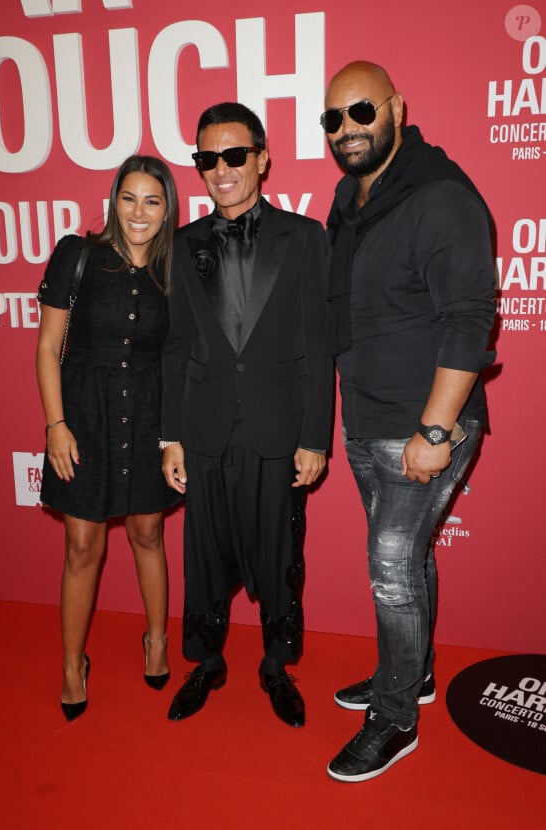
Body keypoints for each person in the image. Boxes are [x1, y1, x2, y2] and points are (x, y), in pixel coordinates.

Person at [321, 62, 496, 780]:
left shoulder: (439, 196)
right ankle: (412, 673)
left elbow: (469, 322)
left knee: (392, 569)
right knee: (410, 562)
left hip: (424, 428)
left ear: (395, 107)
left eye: (361, 111)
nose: (347, 129)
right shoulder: (350, 199)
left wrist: (432, 434)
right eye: (333, 119)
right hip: (366, 420)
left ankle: (395, 718)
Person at [160, 102, 333, 727]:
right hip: (204, 429)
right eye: (208, 158)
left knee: (278, 553)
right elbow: (177, 346)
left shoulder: (306, 237)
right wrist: (170, 436)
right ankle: (206, 662)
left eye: (235, 155)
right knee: (202, 555)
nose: (222, 169)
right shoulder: (183, 245)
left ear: (262, 158)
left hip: (277, 428)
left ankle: (275, 665)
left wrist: (315, 437)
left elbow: (319, 345)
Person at [36, 155, 181, 721]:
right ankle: (73, 664)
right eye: (128, 198)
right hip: (84, 419)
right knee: (81, 548)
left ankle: (157, 641)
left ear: (167, 208)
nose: (138, 212)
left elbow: (182, 356)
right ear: (113, 200)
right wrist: (56, 424)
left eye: (152, 200)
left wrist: (174, 436)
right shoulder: (78, 255)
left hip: (149, 417)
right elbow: (49, 347)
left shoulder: (176, 271)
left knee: (148, 533)